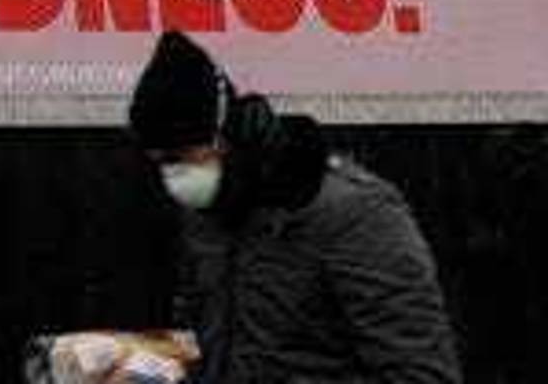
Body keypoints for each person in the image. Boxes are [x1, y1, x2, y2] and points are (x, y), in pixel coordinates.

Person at [128, 31, 461, 384]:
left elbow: (422, 373)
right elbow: (212, 346)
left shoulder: (355, 215)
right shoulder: (206, 218)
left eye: (180, 157)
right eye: (160, 162)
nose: (172, 174)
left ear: (223, 135)